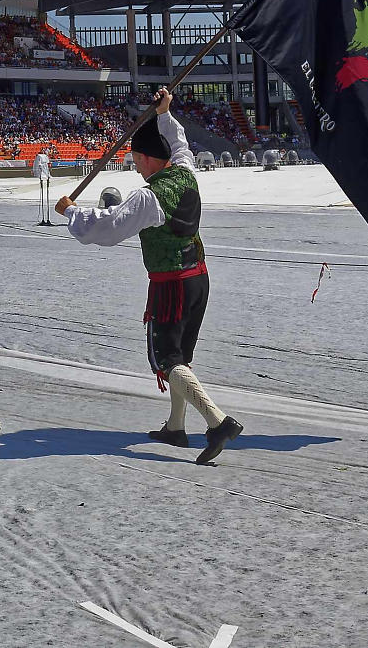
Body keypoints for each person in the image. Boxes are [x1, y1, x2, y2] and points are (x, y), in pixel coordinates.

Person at [54, 87, 243, 464]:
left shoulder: (149, 196)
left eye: (136, 160)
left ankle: (217, 421)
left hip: (170, 286)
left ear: (144, 157)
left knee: (166, 361)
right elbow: (179, 143)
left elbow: (107, 230)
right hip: (198, 279)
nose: (136, 167)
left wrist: (72, 212)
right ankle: (175, 428)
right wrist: (164, 113)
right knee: (181, 356)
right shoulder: (186, 172)